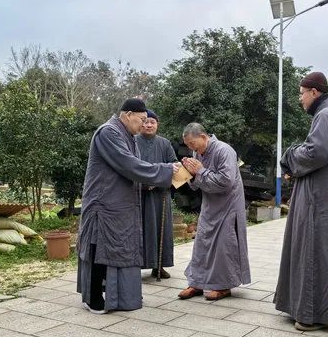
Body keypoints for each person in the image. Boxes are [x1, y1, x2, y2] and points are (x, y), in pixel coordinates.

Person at [76, 99, 180, 314]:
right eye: (141, 120)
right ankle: (93, 297)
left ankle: (119, 295)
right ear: (128, 114)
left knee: (121, 249)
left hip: (122, 204)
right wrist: (166, 170)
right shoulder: (108, 133)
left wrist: (171, 170)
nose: (144, 125)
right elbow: (129, 165)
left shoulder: (128, 136)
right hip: (103, 204)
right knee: (100, 247)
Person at [274, 71, 328, 331]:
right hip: (327, 196)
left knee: (312, 250)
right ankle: (319, 309)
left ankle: (310, 314)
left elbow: (317, 152)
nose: (300, 99)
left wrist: (289, 154)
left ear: (314, 92)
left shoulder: (325, 115)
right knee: (322, 251)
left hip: (318, 199)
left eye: (301, 94)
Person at [178, 123, 250, 301]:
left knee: (224, 245)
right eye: (187, 145)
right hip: (210, 204)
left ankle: (223, 286)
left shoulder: (224, 150)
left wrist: (200, 171)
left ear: (203, 137)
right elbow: (195, 185)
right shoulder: (197, 153)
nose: (190, 148)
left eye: (192, 143)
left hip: (228, 204)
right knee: (202, 242)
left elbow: (226, 181)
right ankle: (197, 282)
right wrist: (189, 173)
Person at [136, 110, 177, 279]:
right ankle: (134, 267)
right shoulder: (133, 142)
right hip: (138, 195)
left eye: (152, 122)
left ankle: (158, 266)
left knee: (162, 230)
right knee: (139, 230)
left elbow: (174, 165)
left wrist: (159, 179)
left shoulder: (165, 143)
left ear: (157, 125)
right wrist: (145, 182)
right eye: (145, 121)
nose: (148, 125)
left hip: (160, 196)